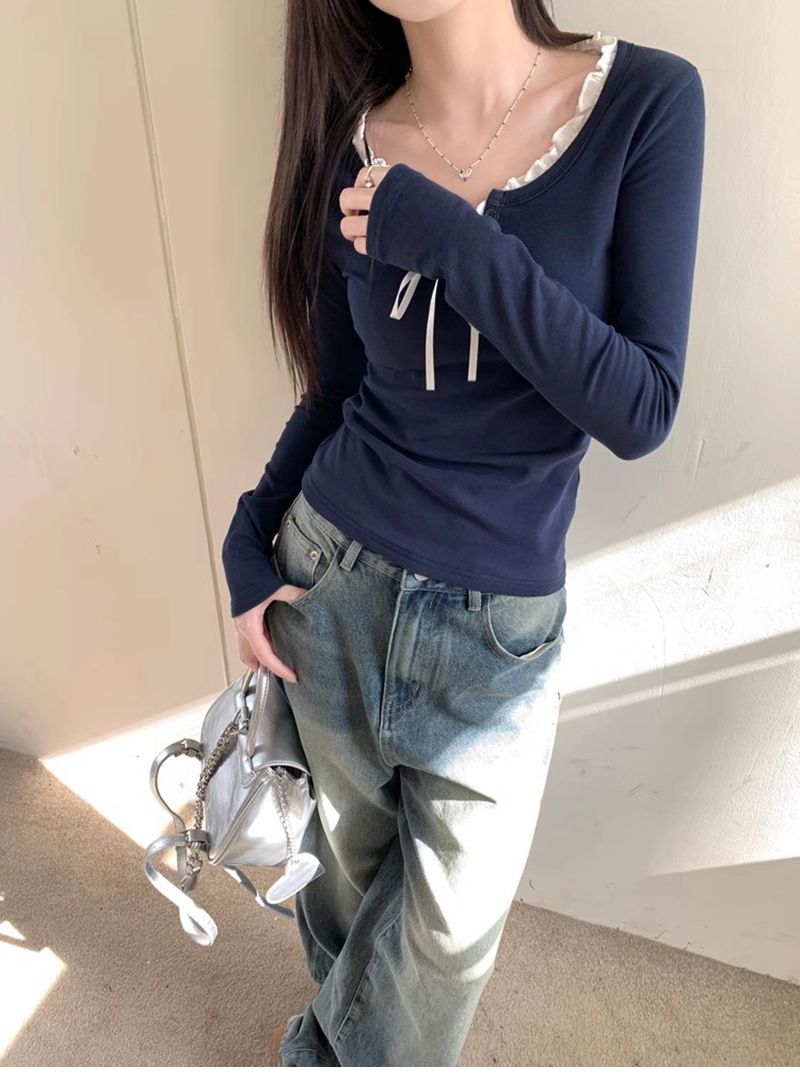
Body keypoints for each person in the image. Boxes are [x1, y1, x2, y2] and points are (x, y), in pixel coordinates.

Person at [221, 0, 705, 1067]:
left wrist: (451, 240)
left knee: (441, 946)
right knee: (343, 901)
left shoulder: (644, 100)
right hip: (330, 583)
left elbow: (640, 406)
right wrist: (247, 544)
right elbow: (333, 393)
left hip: (497, 631)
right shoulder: (351, 144)